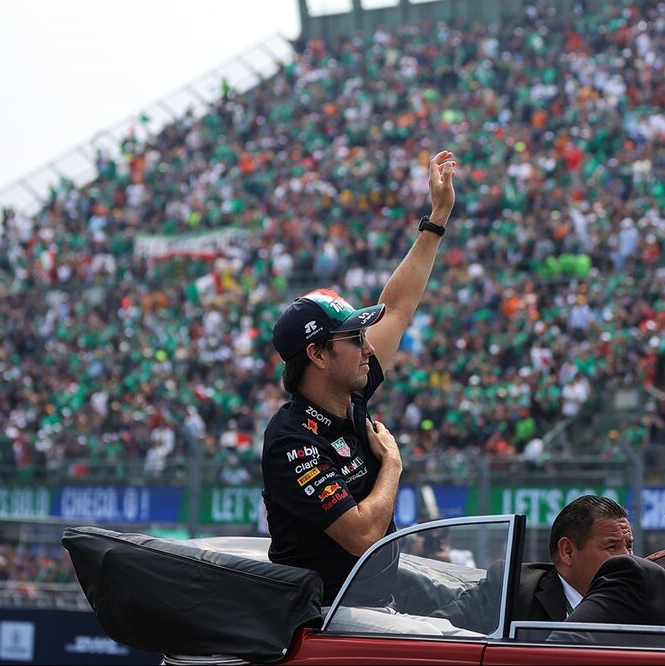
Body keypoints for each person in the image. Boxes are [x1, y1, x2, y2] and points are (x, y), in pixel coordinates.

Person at [260, 150, 459, 601]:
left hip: (370, 612)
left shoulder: (350, 396)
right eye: (355, 339)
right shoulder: (292, 441)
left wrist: (438, 217)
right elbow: (364, 535)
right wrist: (391, 464)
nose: (369, 347)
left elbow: (400, 306)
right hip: (325, 626)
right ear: (318, 355)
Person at [432, 495, 633, 632]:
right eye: (612, 547)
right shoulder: (511, 590)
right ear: (568, 552)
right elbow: (433, 633)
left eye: (629, 546)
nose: (627, 557)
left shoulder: (639, 599)